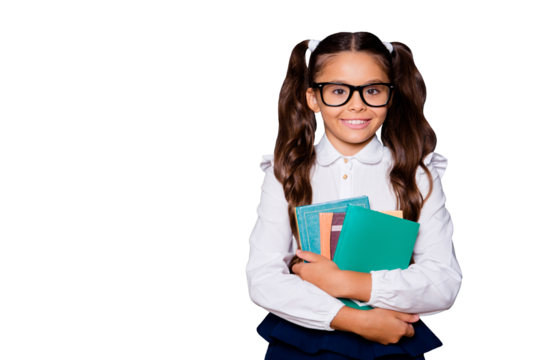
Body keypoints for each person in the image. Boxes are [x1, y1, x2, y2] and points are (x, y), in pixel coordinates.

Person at [245, 30, 462, 360]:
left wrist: (345, 283)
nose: (356, 104)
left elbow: (443, 283)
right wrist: (355, 320)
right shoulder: (285, 174)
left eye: (372, 90)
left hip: (396, 342)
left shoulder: (419, 176)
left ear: (391, 96)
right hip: (302, 343)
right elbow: (262, 279)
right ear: (313, 98)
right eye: (338, 91)